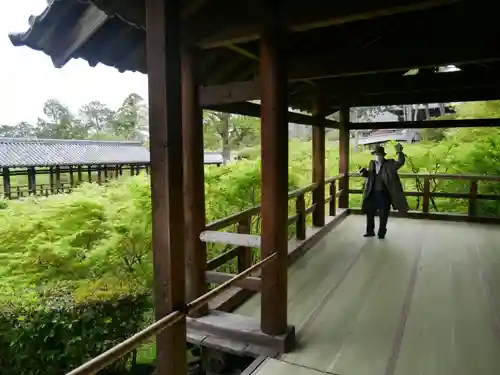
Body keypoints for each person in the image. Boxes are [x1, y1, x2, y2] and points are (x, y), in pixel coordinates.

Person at [358, 143, 409, 239]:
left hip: (384, 194)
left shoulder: (389, 164)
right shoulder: (372, 163)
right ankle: (370, 231)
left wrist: (399, 152)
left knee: (383, 214)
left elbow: (400, 162)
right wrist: (363, 172)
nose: (377, 157)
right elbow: (370, 175)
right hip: (372, 193)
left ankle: (381, 232)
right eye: (376, 155)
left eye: (379, 155)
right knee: (369, 212)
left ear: (383, 156)